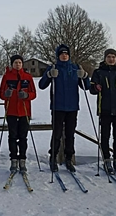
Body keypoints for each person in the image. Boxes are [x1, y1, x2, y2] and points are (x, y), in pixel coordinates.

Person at [38, 44, 90, 172]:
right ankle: (53, 158)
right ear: (58, 55)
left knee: (70, 134)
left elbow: (86, 87)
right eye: (62, 54)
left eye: (66, 54)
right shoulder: (53, 68)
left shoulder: (75, 68)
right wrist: (49, 75)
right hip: (58, 106)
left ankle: (68, 158)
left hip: (72, 107)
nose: (64, 55)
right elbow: (41, 85)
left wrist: (84, 76)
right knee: (56, 133)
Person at [0, 55, 37, 173]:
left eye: (20, 62)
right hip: (11, 110)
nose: (18, 64)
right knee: (13, 136)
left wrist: (27, 95)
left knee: (23, 137)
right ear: (12, 64)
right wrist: (6, 94)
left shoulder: (28, 77)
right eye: (15, 62)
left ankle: (22, 159)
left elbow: (34, 93)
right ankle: (14, 159)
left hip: (25, 111)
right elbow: (1, 94)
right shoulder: (7, 76)